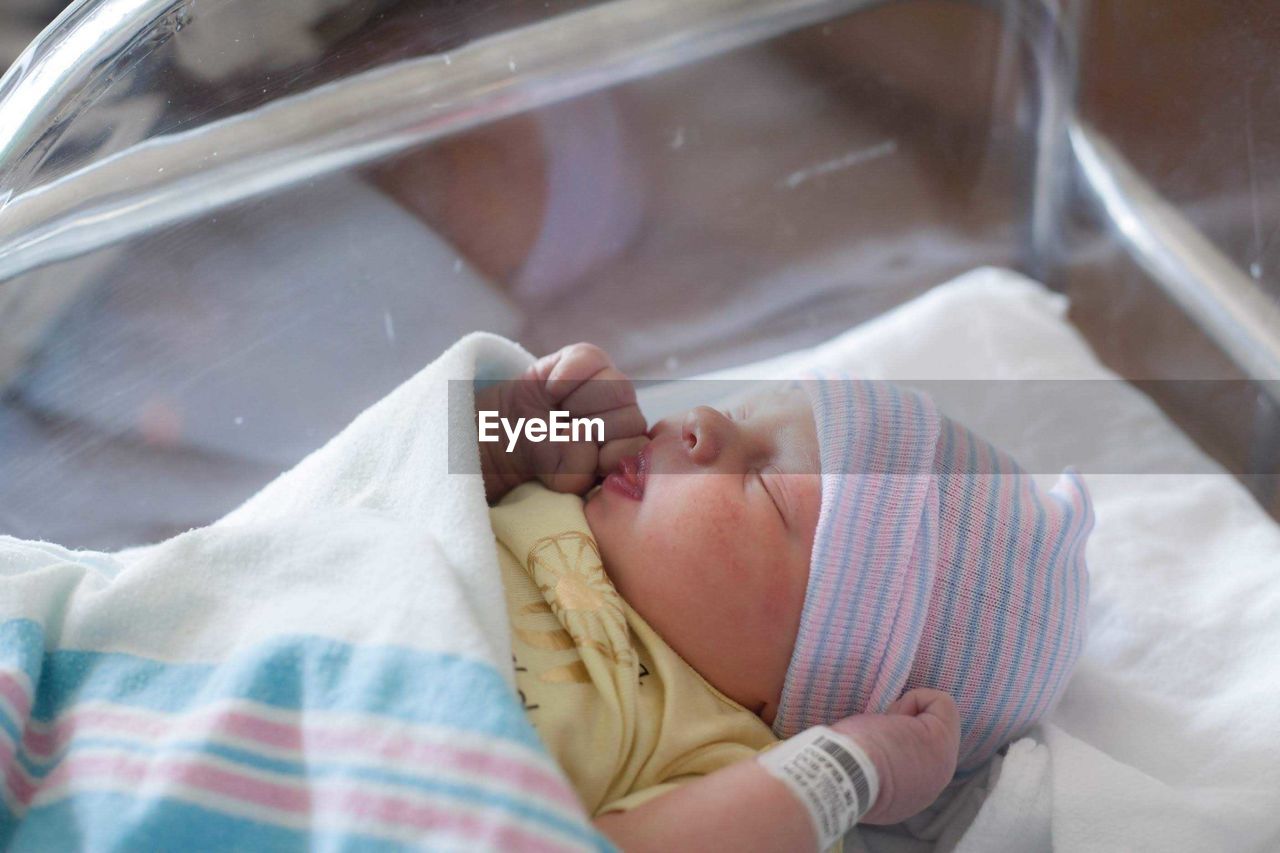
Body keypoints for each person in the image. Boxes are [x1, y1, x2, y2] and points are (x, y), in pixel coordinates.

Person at [476, 343, 1093, 851]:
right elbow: (392, 477)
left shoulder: (722, 759)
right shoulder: (553, 488)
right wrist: (515, 430)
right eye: (739, 412)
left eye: (765, 483)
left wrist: (844, 771)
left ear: (809, 681)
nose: (703, 422)